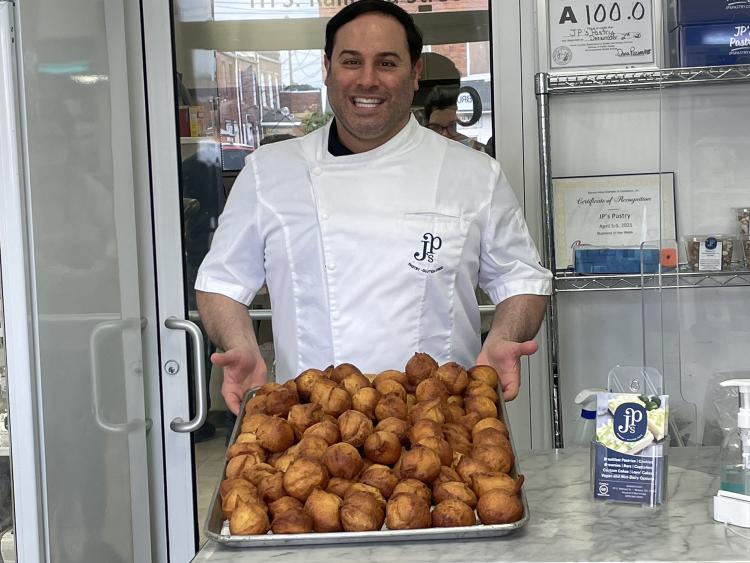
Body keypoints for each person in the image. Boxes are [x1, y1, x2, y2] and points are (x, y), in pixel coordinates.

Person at [195, 0, 552, 416]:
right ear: (327, 67)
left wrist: (505, 336)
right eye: (351, 61)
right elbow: (221, 281)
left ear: (415, 72)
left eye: (386, 63)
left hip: (439, 425)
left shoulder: (473, 174)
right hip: (312, 427)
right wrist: (240, 344)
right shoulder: (268, 173)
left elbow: (522, 277)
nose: (367, 80)